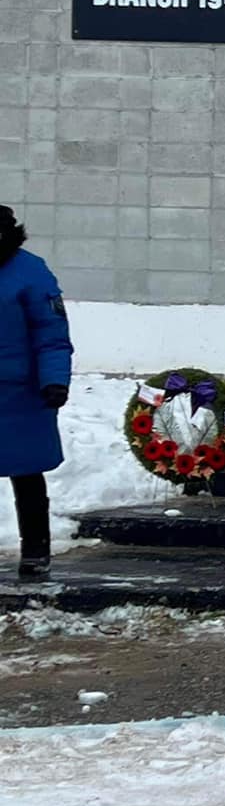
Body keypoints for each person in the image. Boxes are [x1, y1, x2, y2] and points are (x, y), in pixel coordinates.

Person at [0, 207, 73, 578]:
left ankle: (35, 550)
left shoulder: (30, 271)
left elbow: (51, 333)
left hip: (20, 395)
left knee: (26, 473)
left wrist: (55, 380)